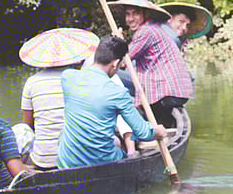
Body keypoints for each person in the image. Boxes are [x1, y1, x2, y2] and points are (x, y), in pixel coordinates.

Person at [57, 35, 167, 169]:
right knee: (122, 153)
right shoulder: (118, 93)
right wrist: (159, 131)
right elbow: (143, 132)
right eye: (120, 65)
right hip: (100, 162)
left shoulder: (67, 77)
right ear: (115, 64)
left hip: (66, 161)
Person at [115, 0, 194, 129]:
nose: (130, 19)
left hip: (169, 92)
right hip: (177, 91)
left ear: (146, 14)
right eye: (128, 14)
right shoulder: (154, 28)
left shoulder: (146, 31)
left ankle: (139, 136)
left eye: (136, 13)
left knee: (115, 75)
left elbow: (123, 61)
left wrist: (117, 43)